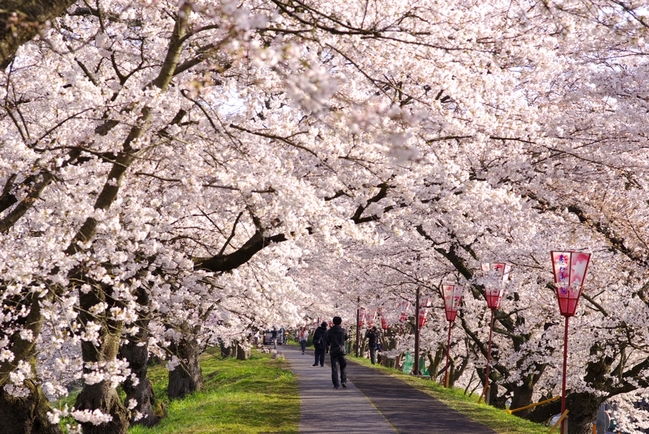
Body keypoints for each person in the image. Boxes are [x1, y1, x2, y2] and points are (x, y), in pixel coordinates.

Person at [325, 316, 348, 389]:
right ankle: (343, 381)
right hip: (342, 350)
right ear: (340, 322)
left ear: (333, 322)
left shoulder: (329, 331)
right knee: (343, 367)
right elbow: (346, 338)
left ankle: (336, 384)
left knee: (334, 368)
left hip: (334, 350)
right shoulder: (343, 331)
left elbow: (327, 340)